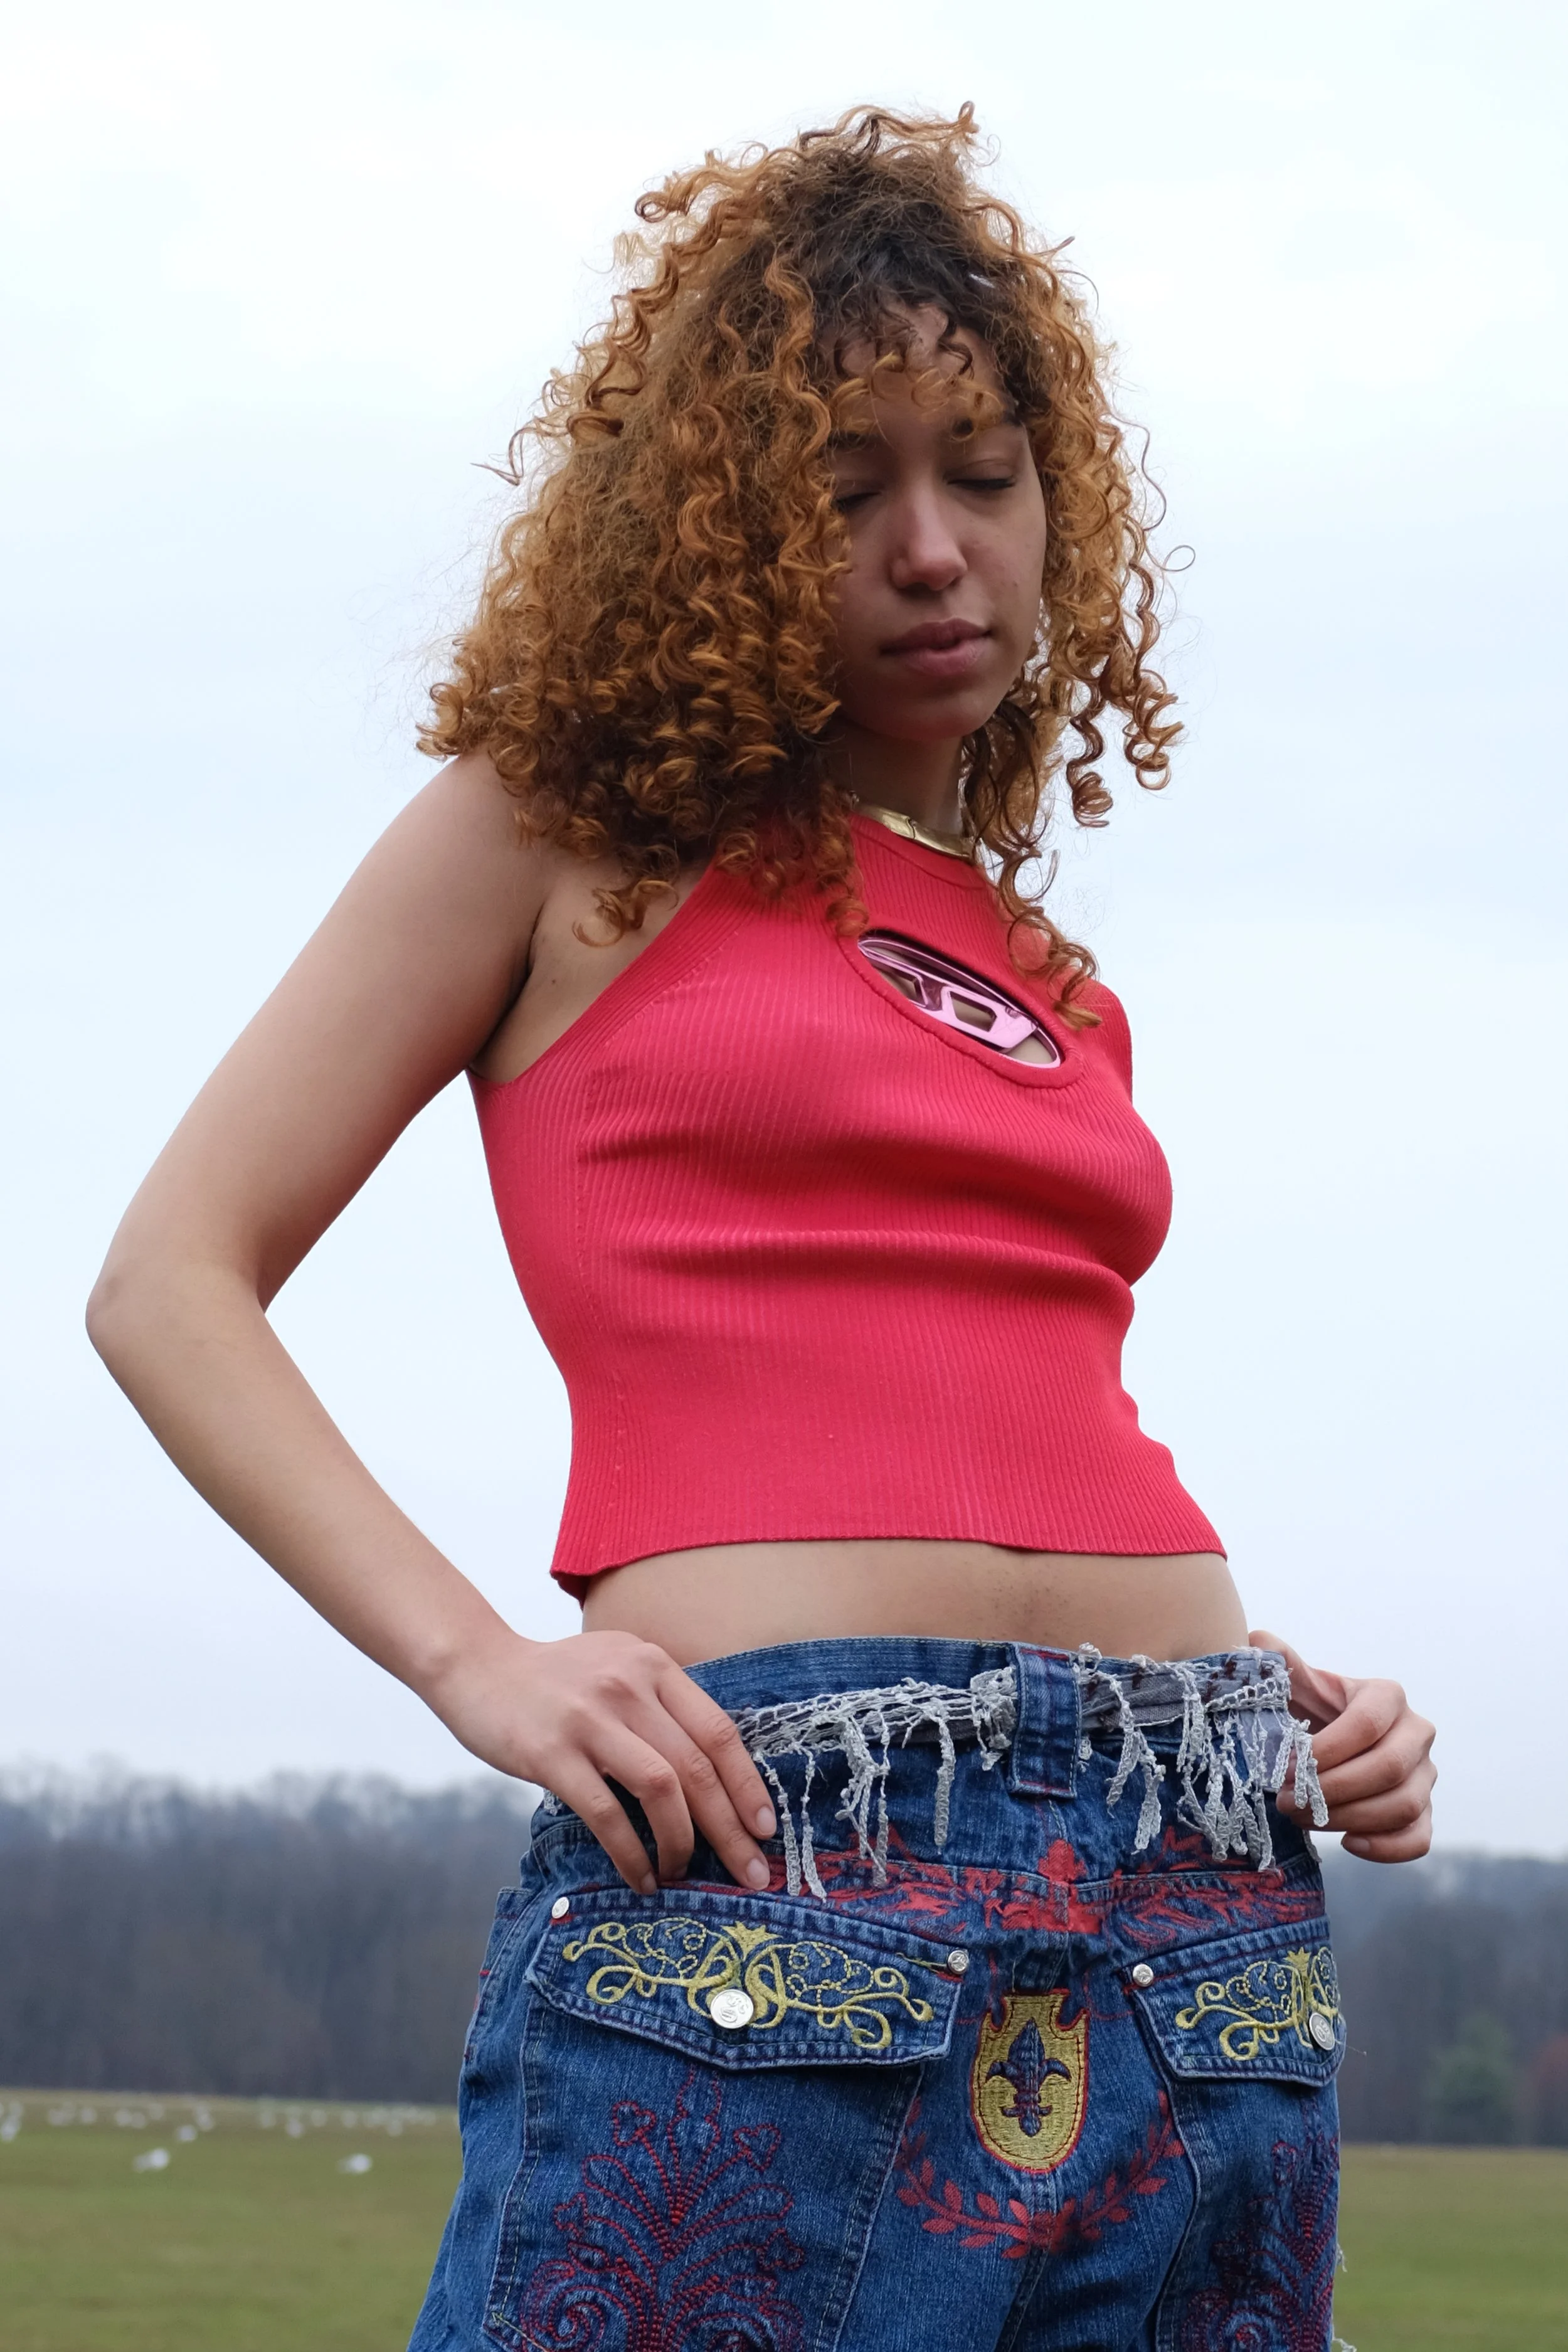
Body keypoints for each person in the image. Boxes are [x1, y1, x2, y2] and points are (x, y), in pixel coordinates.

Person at [89, 107, 1434, 2352]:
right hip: (777, 1872)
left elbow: (1022, 1396)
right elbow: (168, 1280)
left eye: (982, 473)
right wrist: (476, 1661)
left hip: (1205, 1909)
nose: (935, 549)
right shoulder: (559, 839)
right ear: (718, 527)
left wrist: (1279, 1704)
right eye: (848, 489)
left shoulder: (1052, 973)